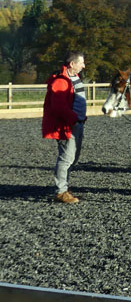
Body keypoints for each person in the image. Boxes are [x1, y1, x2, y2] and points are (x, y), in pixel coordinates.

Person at [42, 51, 87, 204]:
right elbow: (58, 108)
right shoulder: (61, 81)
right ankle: (61, 192)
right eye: (81, 62)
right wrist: (74, 119)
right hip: (67, 126)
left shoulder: (74, 78)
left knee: (73, 158)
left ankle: (64, 188)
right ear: (72, 64)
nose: (84, 65)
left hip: (77, 123)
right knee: (66, 158)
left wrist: (81, 118)